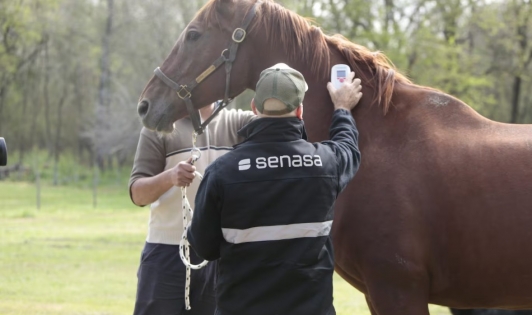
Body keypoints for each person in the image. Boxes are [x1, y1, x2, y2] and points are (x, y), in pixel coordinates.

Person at [187, 63, 362, 315]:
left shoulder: (221, 171)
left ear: (254, 108)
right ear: (300, 110)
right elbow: (348, 148)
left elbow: (204, 247)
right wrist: (343, 109)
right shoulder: (326, 162)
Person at [129, 102, 255, 315]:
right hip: (166, 253)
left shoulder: (239, 123)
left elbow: (284, 118)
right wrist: (170, 177)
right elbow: (138, 194)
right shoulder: (160, 127)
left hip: (219, 257)